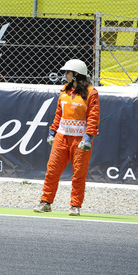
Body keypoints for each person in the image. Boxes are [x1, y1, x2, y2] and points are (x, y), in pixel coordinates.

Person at [34, 59, 100, 217]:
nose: (64, 75)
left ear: (76, 74)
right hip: (62, 137)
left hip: (80, 140)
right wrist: (52, 131)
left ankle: (75, 205)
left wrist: (88, 137)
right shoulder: (64, 90)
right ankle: (46, 202)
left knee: (78, 174)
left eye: (67, 72)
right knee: (52, 171)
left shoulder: (92, 93)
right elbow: (59, 114)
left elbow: (93, 117)